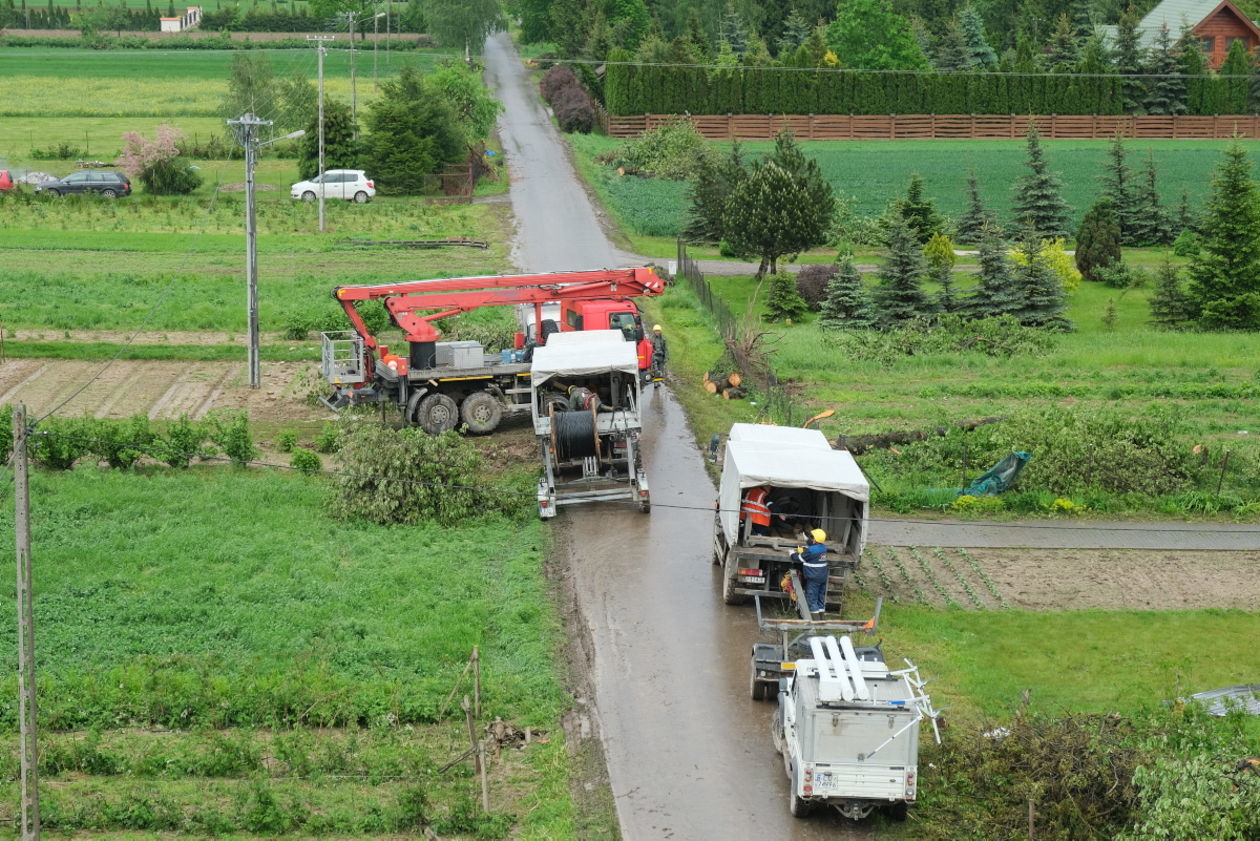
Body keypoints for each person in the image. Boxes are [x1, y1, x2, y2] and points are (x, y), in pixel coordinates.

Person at [790, 529, 830, 614]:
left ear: (815, 539)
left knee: (812, 598)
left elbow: (799, 558)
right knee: (820, 597)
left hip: (813, 578)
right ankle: (821, 617)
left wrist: (792, 554)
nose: (811, 538)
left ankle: (813, 620)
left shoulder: (811, 550)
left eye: (812, 537)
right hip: (822, 577)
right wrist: (807, 540)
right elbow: (814, 547)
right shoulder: (823, 548)